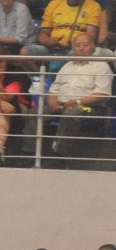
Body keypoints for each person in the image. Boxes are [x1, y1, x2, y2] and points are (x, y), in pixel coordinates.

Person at [46, 33, 112, 162]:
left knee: (72, 114)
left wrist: (76, 102)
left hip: (90, 108)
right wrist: (53, 103)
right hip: (62, 105)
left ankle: (59, 157)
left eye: (85, 45)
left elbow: (101, 95)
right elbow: (54, 89)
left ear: (93, 47)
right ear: (73, 49)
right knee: (34, 113)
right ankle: (30, 154)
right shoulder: (66, 66)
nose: (81, 48)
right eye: (77, 45)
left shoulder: (101, 66)